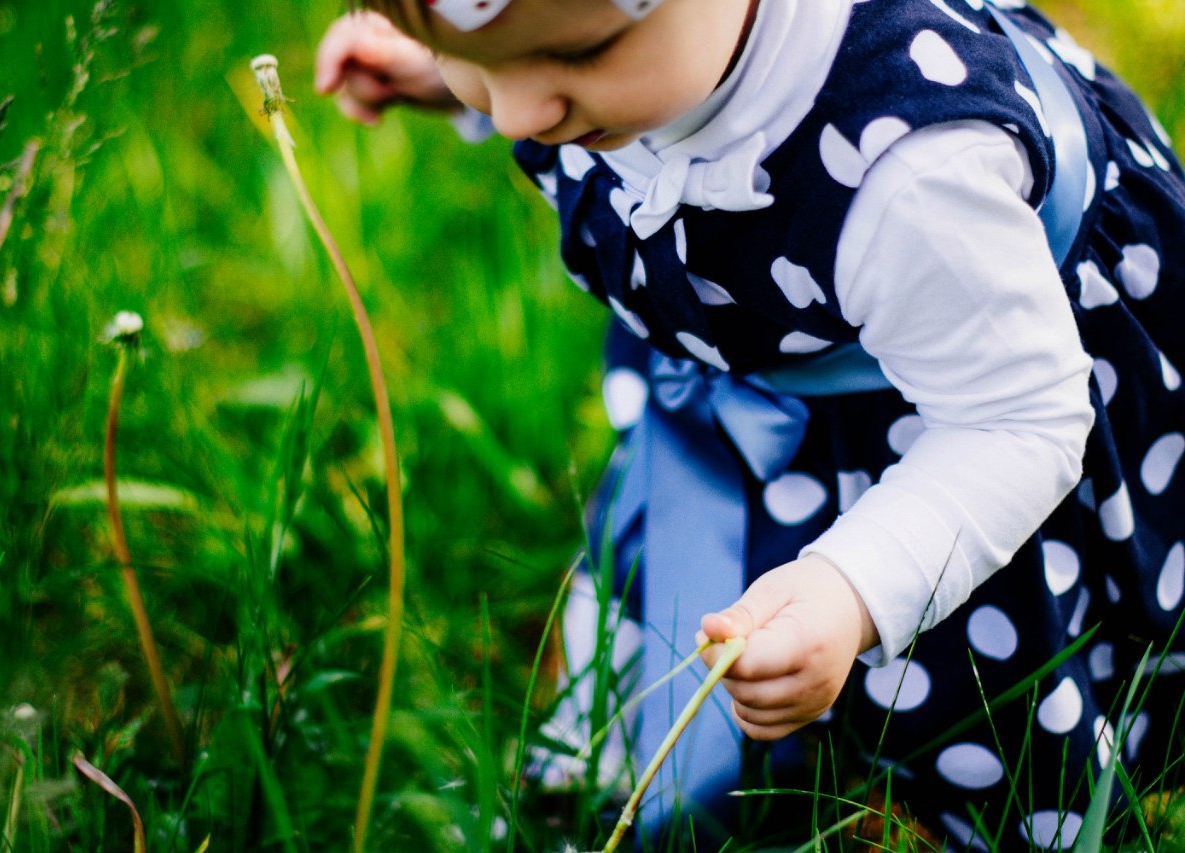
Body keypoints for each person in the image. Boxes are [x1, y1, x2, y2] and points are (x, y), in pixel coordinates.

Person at [315, 0, 1185, 848]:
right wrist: (443, 67)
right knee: (678, 615)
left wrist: (855, 586)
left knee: (966, 687)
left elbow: (1019, 421)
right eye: (488, 64)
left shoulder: (914, 175)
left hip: (969, 417)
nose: (519, 112)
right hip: (782, 365)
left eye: (577, 55)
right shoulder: (622, 58)